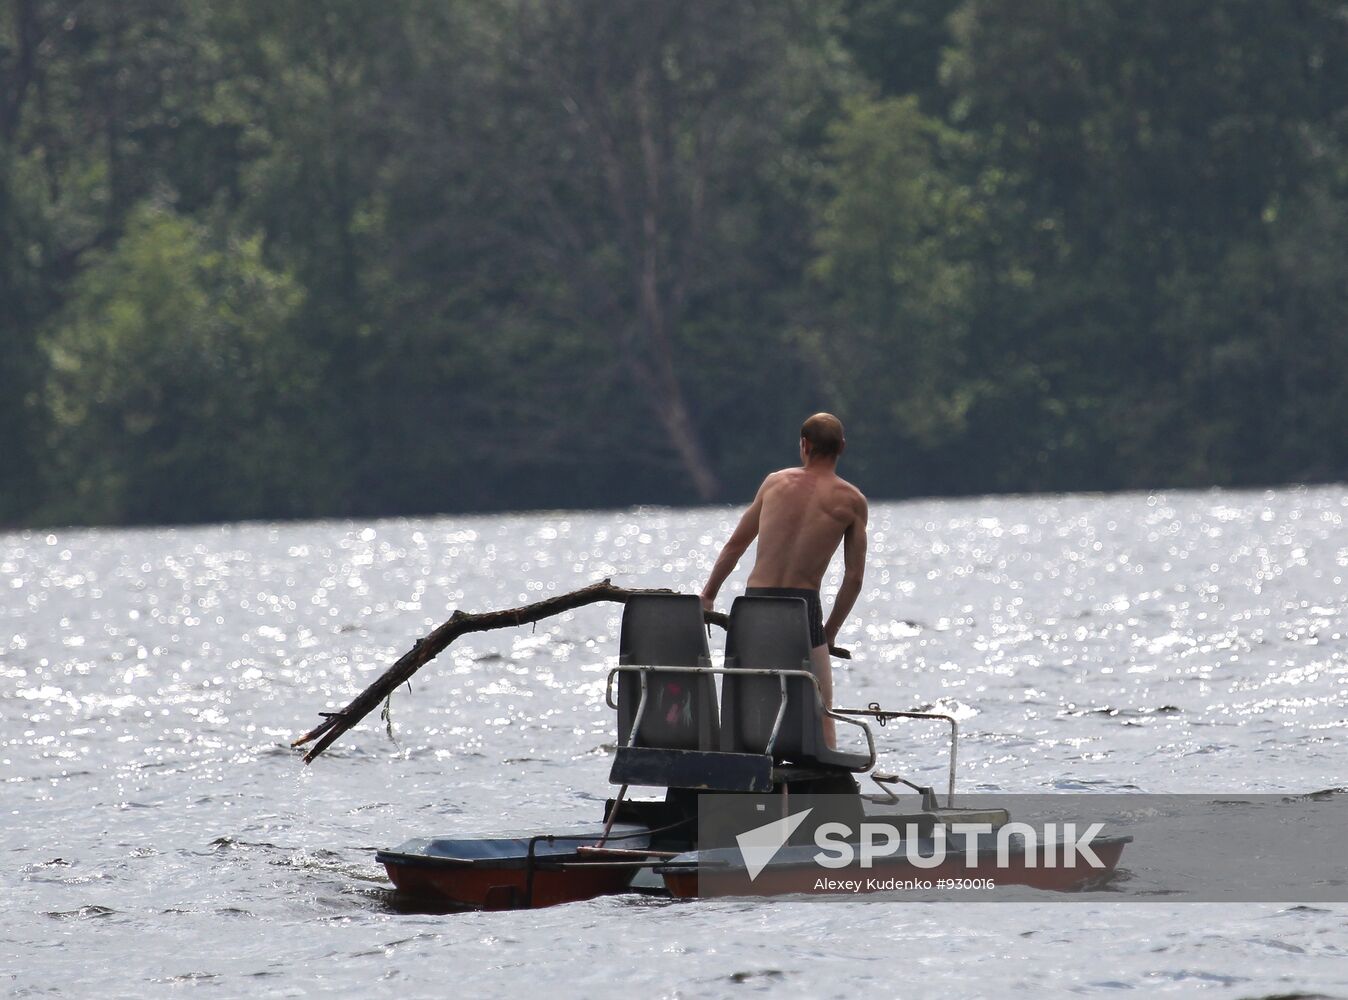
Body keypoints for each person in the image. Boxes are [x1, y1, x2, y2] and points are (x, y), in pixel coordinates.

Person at [700, 413, 868, 745]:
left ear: (804, 445)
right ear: (842, 448)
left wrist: (708, 594)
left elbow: (735, 545)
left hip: (755, 605)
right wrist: (828, 633)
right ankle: (827, 781)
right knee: (822, 711)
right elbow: (853, 578)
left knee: (750, 700)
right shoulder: (852, 501)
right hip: (801, 607)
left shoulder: (774, 483)